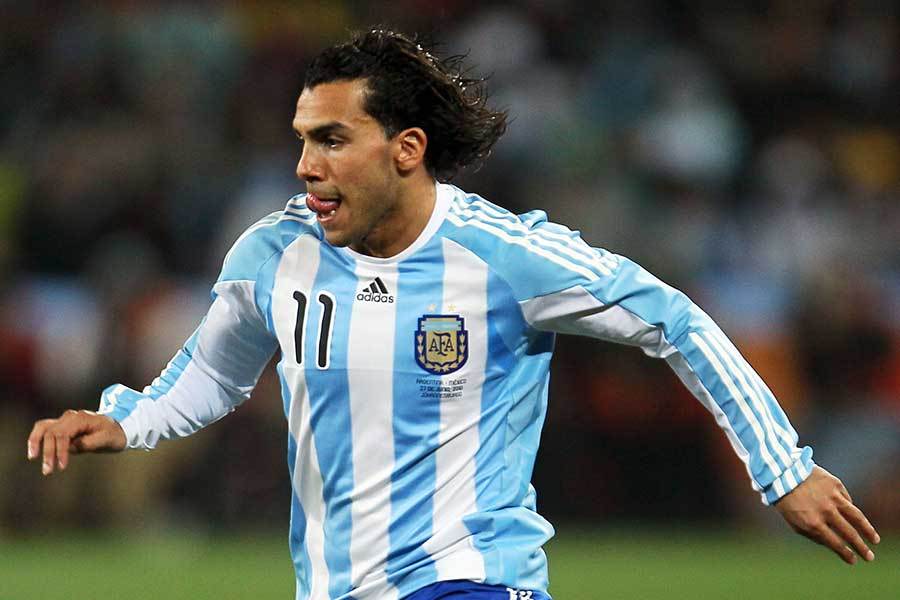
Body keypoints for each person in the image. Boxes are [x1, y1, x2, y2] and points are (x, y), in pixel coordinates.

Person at [28, 29, 879, 600]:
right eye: (302, 138)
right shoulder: (273, 254)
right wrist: (126, 421)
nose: (304, 165)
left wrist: (783, 468)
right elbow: (213, 375)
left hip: (472, 579)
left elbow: (677, 323)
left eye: (332, 140)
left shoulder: (504, 257)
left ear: (407, 149)